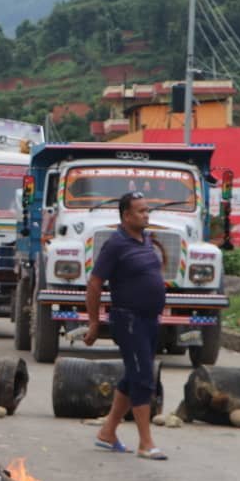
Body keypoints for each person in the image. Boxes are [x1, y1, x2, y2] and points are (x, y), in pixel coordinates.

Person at [83, 192, 166, 461]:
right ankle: (146, 442)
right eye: (141, 211)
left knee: (133, 376)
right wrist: (94, 323)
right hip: (128, 320)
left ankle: (107, 432)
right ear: (126, 215)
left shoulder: (146, 240)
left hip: (149, 319)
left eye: (147, 210)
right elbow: (95, 283)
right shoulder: (115, 245)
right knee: (143, 377)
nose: (146, 214)